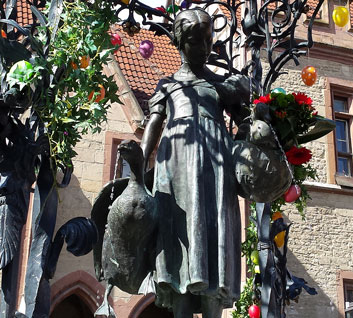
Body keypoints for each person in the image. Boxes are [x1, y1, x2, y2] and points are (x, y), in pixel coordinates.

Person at [140, 8, 250, 318]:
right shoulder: (168, 85)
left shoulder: (220, 84)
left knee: (214, 238)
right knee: (179, 244)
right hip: (175, 167)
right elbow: (154, 123)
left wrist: (257, 122)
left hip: (215, 170)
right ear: (179, 42)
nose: (203, 49)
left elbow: (247, 123)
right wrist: (139, 160)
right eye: (195, 42)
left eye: (207, 41)